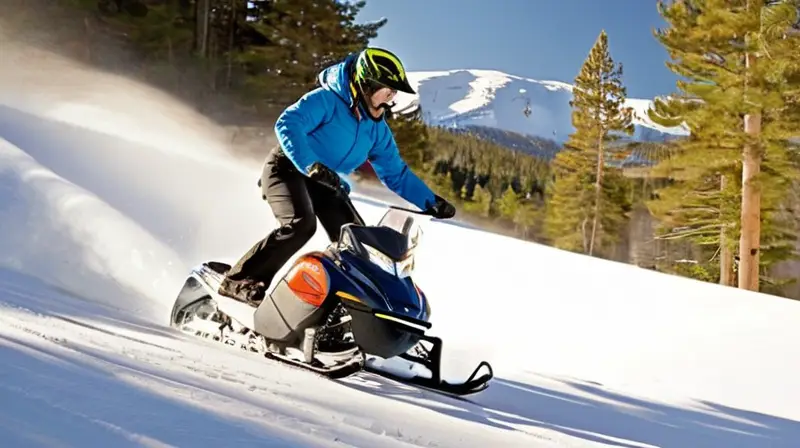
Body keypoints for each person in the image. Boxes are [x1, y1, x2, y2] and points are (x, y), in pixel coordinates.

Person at [218, 47, 456, 304]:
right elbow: (288, 123)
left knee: (358, 244)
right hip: (287, 168)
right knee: (300, 224)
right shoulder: (328, 100)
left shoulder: (376, 129)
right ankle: (239, 280)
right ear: (367, 85)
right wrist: (310, 165)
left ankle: (355, 309)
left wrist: (430, 201)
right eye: (388, 91)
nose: (392, 99)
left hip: (326, 182)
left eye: (394, 93)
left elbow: (395, 173)